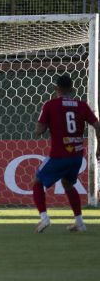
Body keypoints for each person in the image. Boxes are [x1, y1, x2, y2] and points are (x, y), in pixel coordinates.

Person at [33, 75, 100, 233]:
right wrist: (99, 148)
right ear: (72, 89)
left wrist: (41, 128)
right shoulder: (81, 105)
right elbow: (97, 125)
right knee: (68, 184)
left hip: (58, 155)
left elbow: (39, 130)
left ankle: (44, 218)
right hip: (76, 156)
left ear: (56, 89)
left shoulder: (50, 105)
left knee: (37, 182)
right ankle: (80, 223)